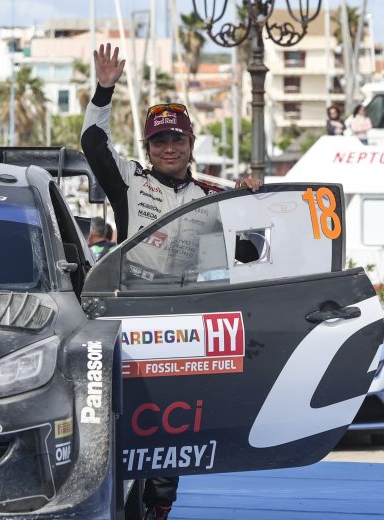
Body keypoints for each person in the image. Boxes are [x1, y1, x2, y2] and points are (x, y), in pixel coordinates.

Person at [80, 43, 261, 520]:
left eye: (176, 139)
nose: (168, 148)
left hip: (184, 314)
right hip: (130, 311)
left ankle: (160, 506)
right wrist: (104, 90)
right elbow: (93, 144)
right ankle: (113, 497)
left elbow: (251, 250)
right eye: (159, 141)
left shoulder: (213, 196)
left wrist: (251, 199)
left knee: (174, 414)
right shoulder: (129, 181)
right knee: (124, 414)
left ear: (191, 143)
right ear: (147, 148)